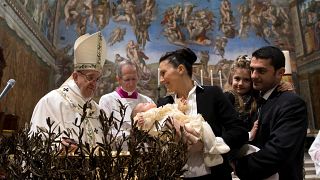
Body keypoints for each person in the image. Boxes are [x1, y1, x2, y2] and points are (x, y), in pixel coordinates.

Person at [157, 48, 248, 179]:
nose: (161, 79)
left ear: (181, 69)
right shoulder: (163, 103)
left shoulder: (212, 94)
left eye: (164, 73)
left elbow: (239, 131)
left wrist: (209, 144)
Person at [234, 46, 308, 180]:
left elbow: (277, 153)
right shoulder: (256, 100)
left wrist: (237, 165)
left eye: (261, 71)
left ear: (280, 73)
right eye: (252, 70)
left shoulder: (291, 104)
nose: (254, 76)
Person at [30, 31, 107, 147]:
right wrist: (59, 146)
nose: (94, 84)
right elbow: (36, 140)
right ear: (76, 77)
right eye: (90, 77)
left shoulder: (96, 109)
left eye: (97, 79)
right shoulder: (52, 102)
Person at [132, 101, 231, 168]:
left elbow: (174, 109)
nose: (148, 102)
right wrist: (139, 120)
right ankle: (211, 148)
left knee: (204, 125)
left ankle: (212, 147)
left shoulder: (162, 109)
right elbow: (137, 122)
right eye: (144, 104)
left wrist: (180, 107)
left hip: (183, 121)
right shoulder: (146, 115)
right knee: (190, 131)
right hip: (168, 129)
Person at [224, 55, 295, 142]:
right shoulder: (228, 97)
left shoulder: (257, 97)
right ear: (231, 79)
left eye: (246, 80)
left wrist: (282, 84)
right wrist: (249, 135)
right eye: (237, 79)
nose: (240, 83)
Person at [99, 60, 154, 139]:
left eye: (134, 79)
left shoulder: (147, 101)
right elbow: (105, 129)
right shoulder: (107, 100)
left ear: (138, 77)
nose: (131, 83)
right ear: (118, 79)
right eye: (127, 80)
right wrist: (132, 132)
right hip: (119, 149)